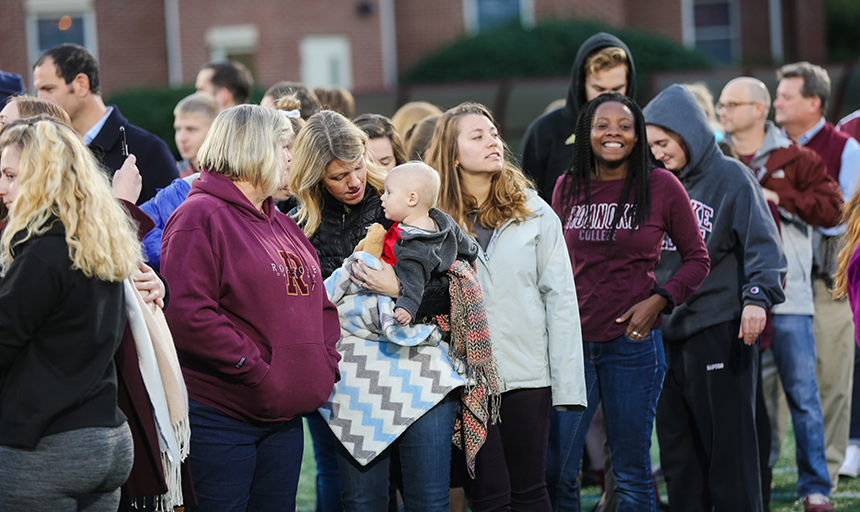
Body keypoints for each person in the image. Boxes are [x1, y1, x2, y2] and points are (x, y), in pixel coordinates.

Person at [160, 105, 341, 511]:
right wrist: (258, 372)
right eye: (283, 146)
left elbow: (321, 307)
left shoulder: (284, 223)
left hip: (283, 418)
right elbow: (190, 315)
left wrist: (324, 365)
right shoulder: (199, 216)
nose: (291, 157)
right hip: (224, 417)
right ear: (254, 147)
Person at [291, 109, 462, 511]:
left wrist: (400, 287)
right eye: (337, 176)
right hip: (353, 382)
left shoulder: (405, 197)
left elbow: (458, 287)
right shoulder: (298, 225)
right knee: (362, 502)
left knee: (428, 501)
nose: (353, 182)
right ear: (314, 175)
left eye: (357, 167)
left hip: (421, 371)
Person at [548, 92, 710, 511]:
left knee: (631, 471)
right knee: (557, 471)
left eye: (624, 126)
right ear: (587, 133)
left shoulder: (660, 185)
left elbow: (697, 259)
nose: (613, 134)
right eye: (602, 125)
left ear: (638, 137)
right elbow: (551, 264)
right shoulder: (567, 187)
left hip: (632, 346)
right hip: (573, 347)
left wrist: (660, 299)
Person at [427, 102, 587, 511]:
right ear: (452, 150)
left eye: (494, 133)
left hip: (527, 375)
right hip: (463, 380)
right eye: (477, 136)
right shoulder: (431, 220)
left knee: (531, 490)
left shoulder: (533, 210)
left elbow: (562, 301)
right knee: (487, 495)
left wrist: (567, 384)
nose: (492, 141)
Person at [643, 84, 787, 512]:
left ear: (688, 132)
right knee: (679, 457)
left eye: (664, 143)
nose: (659, 153)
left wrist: (758, 299)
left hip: (720, 329)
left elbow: (765, 246)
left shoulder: (730, 176)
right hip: (666, 334)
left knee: (731, 454)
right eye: (651, 146)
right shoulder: (655, 184)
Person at [0, 115, 143, 510]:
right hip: (106, 438)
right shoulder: (98, 245)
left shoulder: (45, 254)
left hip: (47, 445)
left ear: (42, 176)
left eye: (12, 175)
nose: (3, 188)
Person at [719, 76, 844, 509]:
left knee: (802, 397)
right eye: (720, 105)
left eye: (731, 104)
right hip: (729, 299)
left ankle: (815, 488)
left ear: (759, 108)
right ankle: (753, 483)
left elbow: (833, 208)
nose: (722, 112)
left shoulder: (798, 157)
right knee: (741, 401)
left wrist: (777, 196)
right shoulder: (714, 157)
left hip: (788, 298)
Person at [774, 62, 860, 499]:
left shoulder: (845, 149)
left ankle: (824, 476)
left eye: (786, 96)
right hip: (776, 285)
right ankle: (765, 465)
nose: (776, 102)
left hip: (827, 283)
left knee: (831, 379)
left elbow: (841, 219)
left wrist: (786, 198)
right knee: (768, 382)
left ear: (814, 101)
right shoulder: (765, 147)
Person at [33, 43, 177, 204]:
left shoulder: (147, 150)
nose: (40, 99)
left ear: (81, 85)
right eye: (37, 90)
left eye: (48, 89)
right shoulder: (50, 150)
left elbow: (173, 224)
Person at [520, 33, 635, 203]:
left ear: (629, 84)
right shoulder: (544, 131)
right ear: (582, 84)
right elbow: (524, 201)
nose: (609, 97)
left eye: (617, 88)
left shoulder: (645, 131)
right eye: (599, 88)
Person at [378, 161, 479, 325]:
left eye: (389, 192)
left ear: (412, 199)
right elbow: (464, 241)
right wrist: (472, 257)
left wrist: (406, 307)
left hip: (411, 305)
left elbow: (413, 281)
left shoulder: (413, 246)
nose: (382, 197)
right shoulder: (444, 221)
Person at [173, 93, 219, 178]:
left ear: (214, 131)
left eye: (191, 129)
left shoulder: (234, 175)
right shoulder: (173, 176)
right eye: (178, 129)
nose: (181, 138)